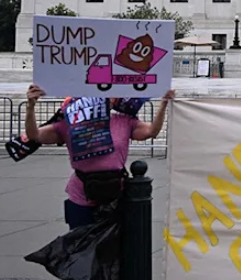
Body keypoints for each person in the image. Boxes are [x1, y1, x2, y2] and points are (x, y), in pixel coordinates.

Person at [24, 85, 174, 229]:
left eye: (111, 95)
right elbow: (34, 135)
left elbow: (151, 131)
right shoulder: (70, 123)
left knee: (118, 243)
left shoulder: (124, 121)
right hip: (81, 196)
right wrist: (30, 106)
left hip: (117, 194)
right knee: (81, 243)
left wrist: (163, 104)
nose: (106, 98)